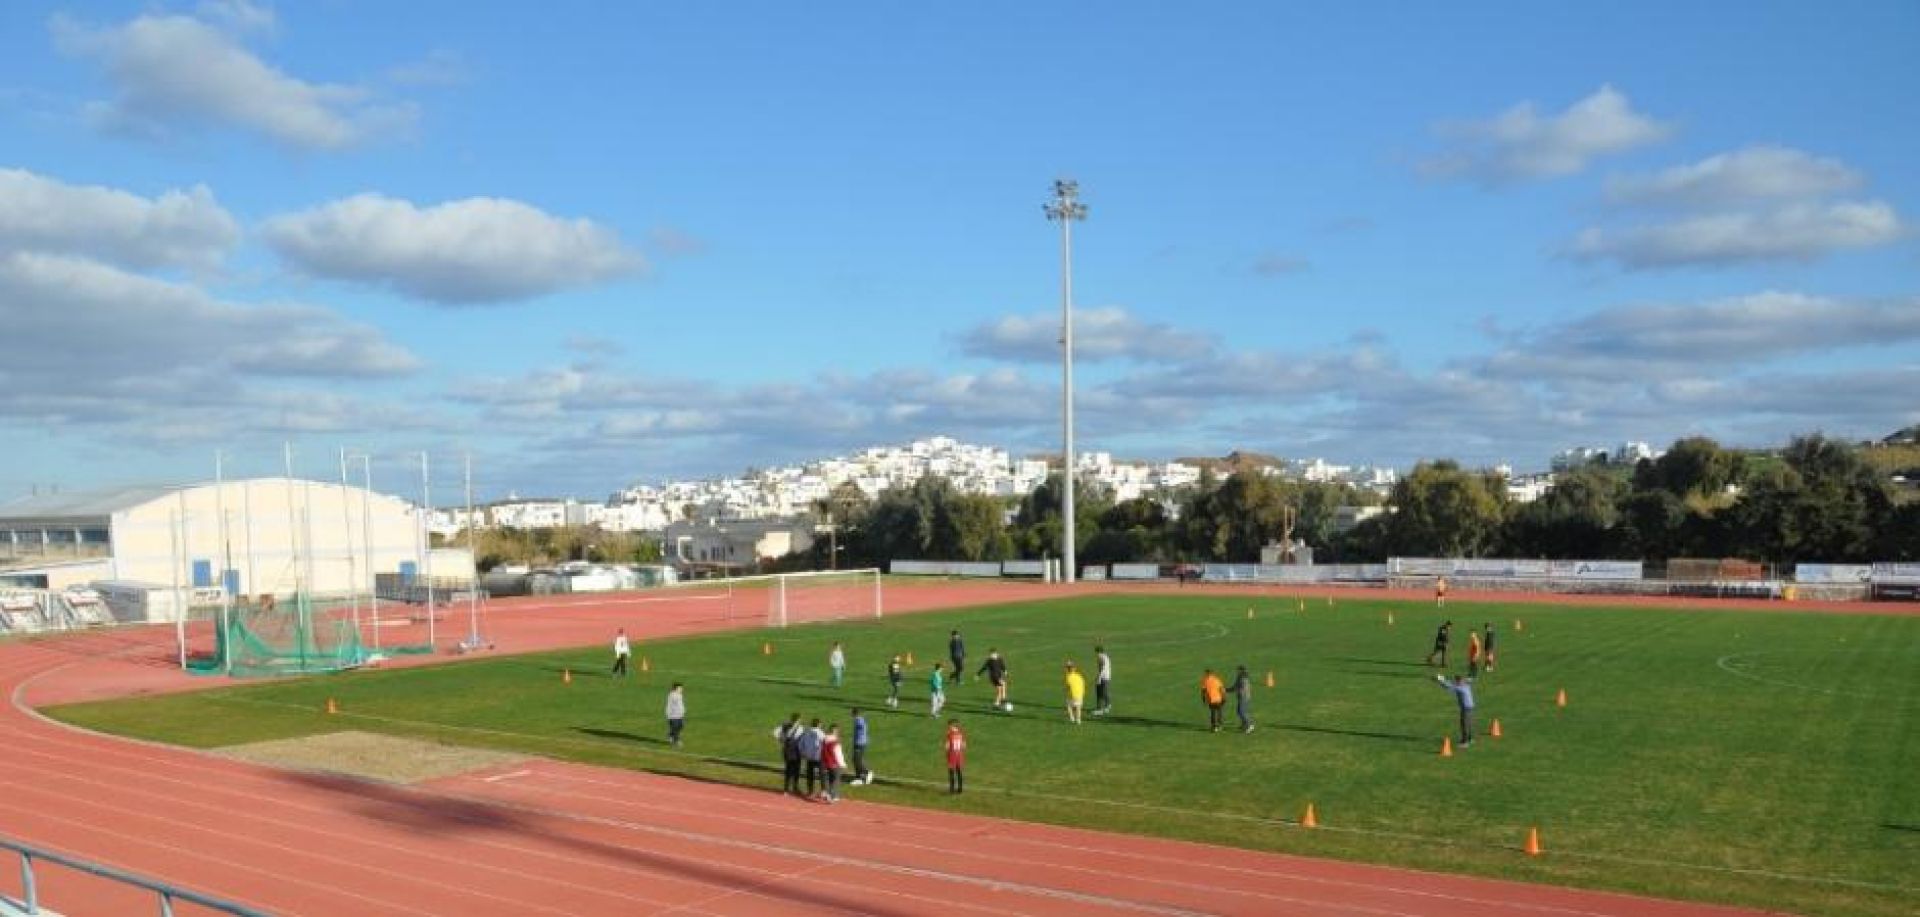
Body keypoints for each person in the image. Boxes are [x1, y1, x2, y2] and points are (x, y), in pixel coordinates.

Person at [1435, 673, 1476, 747]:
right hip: (1471, 706)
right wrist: (1444, 680)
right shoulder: (1467, 685)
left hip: (1465, 708)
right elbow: (1455, 683)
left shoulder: (1459, 688)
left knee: (1464, 724)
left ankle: (1465, 742)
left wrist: (1440, 680)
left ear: (1458, 681)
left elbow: (1448, 686)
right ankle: (1470, 739)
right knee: (1469, 723)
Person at [774, 712, 804, 795]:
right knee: (789, 769)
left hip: (795, 750)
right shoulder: (787, 726)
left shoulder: (799, 727)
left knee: (796, 770)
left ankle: (794, 788)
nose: (799, 721)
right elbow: (776, 732)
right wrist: (781, 739)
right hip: (790, 750)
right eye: (798, 720)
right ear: (796, 720)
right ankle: (787, 789)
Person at [797, 717, 825, 797]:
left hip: (809, 757)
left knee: (810, 775)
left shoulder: (806, 732)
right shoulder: (820, 733)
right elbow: (823, 743)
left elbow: (800, 744)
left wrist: (803, 753)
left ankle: (810, 791)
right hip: (818, 756)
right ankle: (823, 791)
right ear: (819, 724)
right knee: (822, 774)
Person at [820, 724, 846, 803]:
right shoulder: (835, 742)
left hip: (825, 763)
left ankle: (828, 793)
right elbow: (838, 754)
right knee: (835, 780)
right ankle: (832, 795)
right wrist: (843, 764)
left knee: (829, 779)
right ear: (835, 731)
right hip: (834, 763)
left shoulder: (824, 740)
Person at [1228, 664, 1255, 733]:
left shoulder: (1243, 679)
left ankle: (1250, 725)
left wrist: (1227, 690)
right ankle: (1244, 724)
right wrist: (1227, 690)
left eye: (1238, 670)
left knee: (1242, 711)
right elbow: (1235, 686)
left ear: (1241, 670)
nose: (1237, 671)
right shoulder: (1240, 677)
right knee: (1240, 711)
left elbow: (1237, 687)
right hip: (1243, 697)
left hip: (1244, 697)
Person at [850, 707, 872, 785]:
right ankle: (858, 777)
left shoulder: (858, 720)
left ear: (854, 713)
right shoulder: (859, 720)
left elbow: (862, 728)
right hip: (859, 742)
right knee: (855, 759)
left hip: (860, 743)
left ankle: (866, 773)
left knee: (857, 760)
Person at [943, 719, 966, 794]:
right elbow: (964, 745)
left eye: (949, 726)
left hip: (952, 755)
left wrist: (947, 754)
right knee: (959, 771)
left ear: (951, 725)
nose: (948, 727)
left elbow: (947, 746)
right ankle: (960, 789)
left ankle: (952, 789)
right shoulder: (961, 733)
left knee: (951, 772)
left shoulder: (949, 734)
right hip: (959, 755)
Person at [664, 682, 686, 747]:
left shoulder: (680, 695)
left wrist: (683, 711)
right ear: (676, 688)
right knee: (675, 728)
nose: (681, 689)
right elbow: (669, 704)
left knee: (681, 726)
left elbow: (680, 704)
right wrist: (668, 714)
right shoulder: (672, 695)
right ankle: (676, 741)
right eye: (680, 688)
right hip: (673, 715)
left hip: (680, 714)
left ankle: (670, 735)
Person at [1093, 645, 1113, 716]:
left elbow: (1102, 669)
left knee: (1100, 693)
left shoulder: (1101, 657)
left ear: (1098, 652)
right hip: (1106, 677)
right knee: (1104, 692)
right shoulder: (1106, 657)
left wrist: (1099, 678)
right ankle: (1107, 705)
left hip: (1103, 677)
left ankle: (1100, 709)